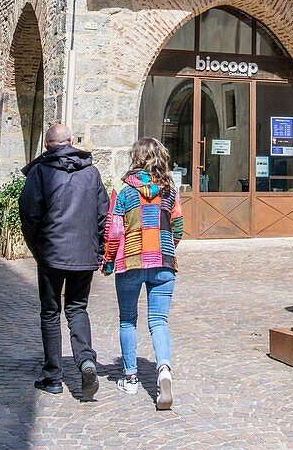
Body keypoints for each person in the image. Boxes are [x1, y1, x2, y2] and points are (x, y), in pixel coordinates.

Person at [19, 123, 109, 396]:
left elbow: (29, 213)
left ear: (47, 145)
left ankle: (53, 376)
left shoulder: (41, 171)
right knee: (77, 308)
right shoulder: (91, 173)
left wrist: (37, 247)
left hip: (52, 252)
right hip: (83, 252)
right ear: (71, 141)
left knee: (50, 311)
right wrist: (98, 247)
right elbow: (103, 214)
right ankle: (86, 361)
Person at [101, 137, 183, 410]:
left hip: (132, 262)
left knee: (127, 320)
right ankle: (164, 371)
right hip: (163, 263)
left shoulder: (123, 193)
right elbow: (179, 228)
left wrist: (108, 261)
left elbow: (113, 232)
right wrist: (167, 247)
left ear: (135, 158)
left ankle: (131, 376)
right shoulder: (171, 192)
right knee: (159, 321)